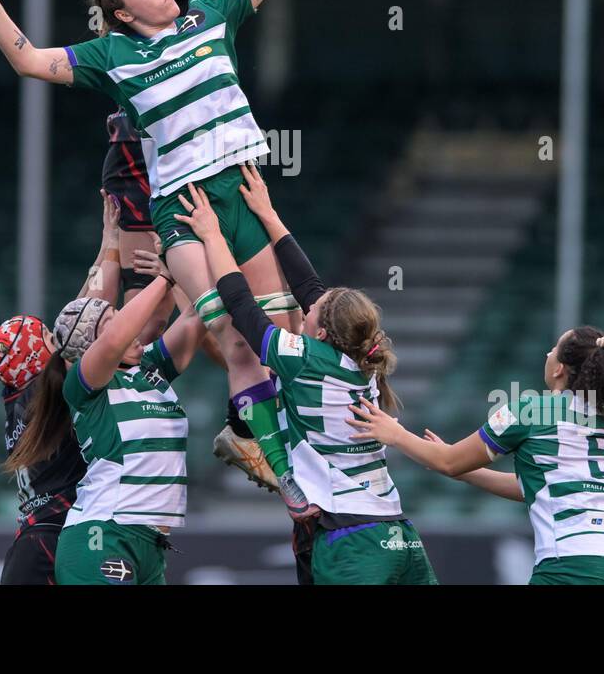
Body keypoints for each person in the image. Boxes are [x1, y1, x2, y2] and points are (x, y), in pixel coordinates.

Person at [0, 0, 351, 520]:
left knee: (282, 335)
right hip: (185, 207)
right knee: (228, 333)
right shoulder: (113, 54)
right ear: (126, 10)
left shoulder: (214, 13)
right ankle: (291, 486)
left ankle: (272, 442)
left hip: (242, 190)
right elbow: (31, 61)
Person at [88, 0, 318, 489]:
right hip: (152, 172)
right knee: (193, 318)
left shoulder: (154, 2)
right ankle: (122, 416)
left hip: (179, 163)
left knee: (218, 322)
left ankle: (243, 430)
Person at [174, 165, 438, 584]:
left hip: (352, 539)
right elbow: (309, 284)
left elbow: (242, 306)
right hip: (398, 534)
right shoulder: (362, 356)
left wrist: (211, 234)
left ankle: (267, 452)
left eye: (313, 309)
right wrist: (268, 214)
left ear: (322, 331)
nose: (307, 305)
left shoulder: (305, 359)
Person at [352, 326, 604, 585]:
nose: (547, 353)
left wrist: (396, 435)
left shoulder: (529, 409)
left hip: (577, 561)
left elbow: (448, 461)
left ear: (559, 368)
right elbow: (538, 486)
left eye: (553, 348)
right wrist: (462, 468)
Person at [0, 190, 121, 584]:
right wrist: (112, 246)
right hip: (55, 540)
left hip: (34, 541)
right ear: (34, 358)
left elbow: (78, 313)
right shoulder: (47, 390)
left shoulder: (18, 391)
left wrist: (106, 246)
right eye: (45, 337)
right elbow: (89, 316)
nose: (54, 337)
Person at [48, 253, 205, 585]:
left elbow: (195, 315)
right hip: (102, 535)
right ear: (89, 343)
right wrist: (163, 280)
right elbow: (116, 338)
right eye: (113, 320)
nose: (132, 327)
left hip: (150, 544)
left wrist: (178, 264)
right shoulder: (83, 382)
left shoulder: (149, 369)